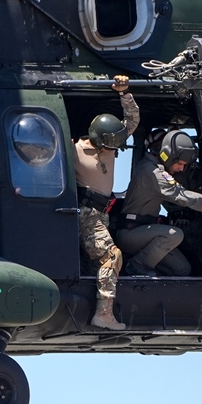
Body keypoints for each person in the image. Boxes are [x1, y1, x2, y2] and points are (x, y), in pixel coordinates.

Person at [73, 75, 139, 330]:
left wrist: (125, 93)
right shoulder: (74, 150)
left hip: (103, 214)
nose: (112, 150)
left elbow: (131, 123)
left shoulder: (110, 143)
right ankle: (104, 314)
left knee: (97, 262)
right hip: (87, 213)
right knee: (112, 256)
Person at [117, 130, 202, 276]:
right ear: (168, 157)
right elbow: (182, 196)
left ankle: (146, 269)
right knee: (174, 235)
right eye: (180, 164)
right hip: (131, 234)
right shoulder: (154, 173)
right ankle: (136, 265)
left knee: (182, 269)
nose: (181, 169)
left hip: (142, 233)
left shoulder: (150, 166)